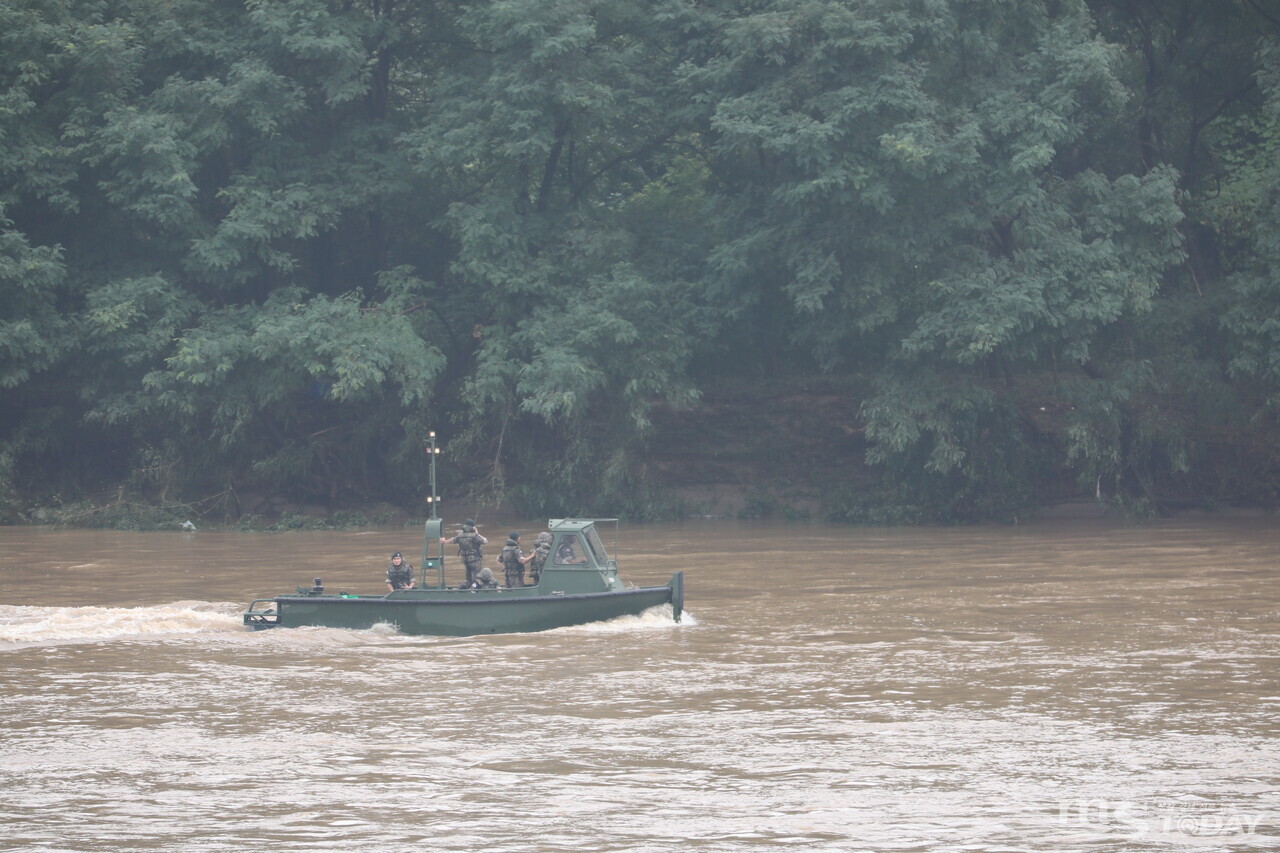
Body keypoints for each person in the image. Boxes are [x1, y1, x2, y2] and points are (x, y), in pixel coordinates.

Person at [442, 518, 488, 586]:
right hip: (475, 560)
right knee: (477, 578)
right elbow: (485, 541)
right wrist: (477, 533)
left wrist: (444, 541)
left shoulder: (460, 535)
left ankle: (465, 589)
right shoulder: (474, 535)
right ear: (472, 527)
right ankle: (475, 592)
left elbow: (452, 540)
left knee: (468, 578)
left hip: (465, 560)